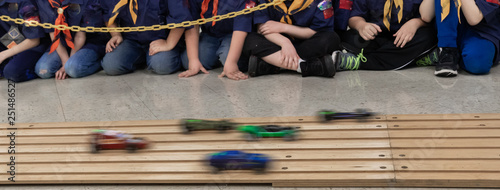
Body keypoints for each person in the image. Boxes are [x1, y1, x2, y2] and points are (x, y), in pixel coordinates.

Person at [242, 0, 342, 78]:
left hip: (305, 44)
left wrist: (284, 28)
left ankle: (273, 65)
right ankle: (305, 66)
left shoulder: (321, 2)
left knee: (331, 38)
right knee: (249, 39)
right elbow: (262, 28)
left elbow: (316, 31)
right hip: (276, 43)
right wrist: (285, 42)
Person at [336, 0, 438, 71]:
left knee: (428, 35)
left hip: (405, 38)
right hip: (377, 37)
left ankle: (360, 62)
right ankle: (414, 59)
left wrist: (415, 23)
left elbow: (428, 19)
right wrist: (361, 25)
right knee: (348, 38)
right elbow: (354, 17)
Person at [101, 0, 193, 76]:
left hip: (162, 39)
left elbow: (180, 17)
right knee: (111, 65)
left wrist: (168, 44)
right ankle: (143, 60)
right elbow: (107, 12)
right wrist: (116, 34)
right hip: (131, 39)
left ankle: (172, 57)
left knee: (162, 64)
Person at [180, 0, 257, 80]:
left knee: (229, 59)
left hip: (234, 34)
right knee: (188, 61)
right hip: (210, 34)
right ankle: (219, 57)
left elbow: (242, 26)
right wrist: (193, 59)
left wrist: (232, 62)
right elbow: (192, 23)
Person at [420, 0, 500, 77]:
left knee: (478, 64)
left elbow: (474, 19)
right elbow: (425, 15)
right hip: (447, 31)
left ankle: (456, 57)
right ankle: (447, 52)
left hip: (481, 32)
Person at [35, 0, 107, 80]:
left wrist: (67, 65)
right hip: (62, 42)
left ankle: (102, 61)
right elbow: (53, 34)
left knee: (73, 69)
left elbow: (80, 36)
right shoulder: (44, 2)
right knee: (43, 70)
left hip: (88, 41)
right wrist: (65, 61)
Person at [0, 0, 49, 82]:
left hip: (33, 47)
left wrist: (3, 54)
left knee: (12, 72)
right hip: (10, 42)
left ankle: (38, 69)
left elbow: (34, 41)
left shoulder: (25, 4)